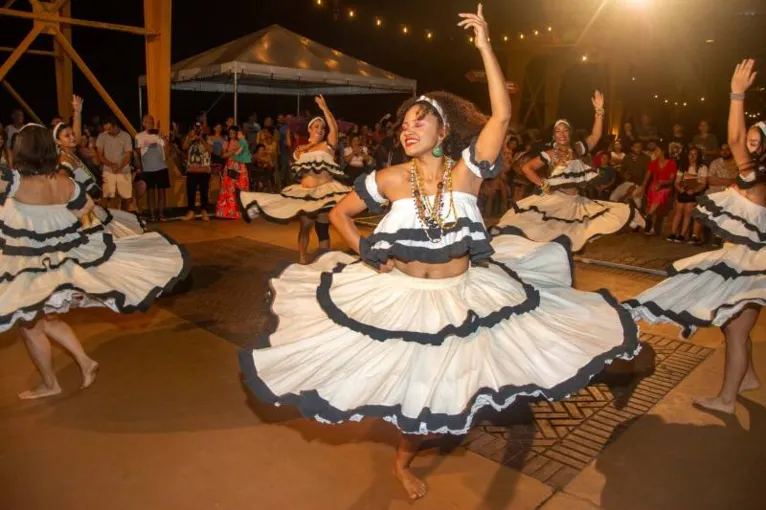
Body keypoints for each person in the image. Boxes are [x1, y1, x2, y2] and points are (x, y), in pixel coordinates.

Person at [237, 7, 639, 500]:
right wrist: (363, 247)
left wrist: (486, 46)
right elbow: (339, 215)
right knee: (418, 394)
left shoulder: (469, 169)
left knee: (454, 391)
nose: (408, 128)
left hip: (463, 296)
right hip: (406, 300)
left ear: (442, 130)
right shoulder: (388, 179)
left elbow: (503, 114)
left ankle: (435, 433)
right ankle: (404, 462)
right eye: (404, 122)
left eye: (419, 120)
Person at [0, 124, 189, 399]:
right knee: (44, 321)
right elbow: (85, 207)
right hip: (56, 263)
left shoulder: (14, 182)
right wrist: (58, 227)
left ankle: (51, 384)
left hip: (31, 268)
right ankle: (86, 364)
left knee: (32, 327)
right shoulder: (64, 183)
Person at [625, 60, 764, 414]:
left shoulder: (757, 175)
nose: (746, 143)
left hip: (748, 266)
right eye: (749, 138)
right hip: (750, 266)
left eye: (754, 140)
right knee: (737, 328)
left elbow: (732, 138)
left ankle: (727, 400)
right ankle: (747, 378)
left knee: (733, 331)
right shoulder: (757, 179)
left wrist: (736, 95)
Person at [493, 95, 644, 252]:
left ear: (570, 133)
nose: (561, 134)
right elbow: (527, 168)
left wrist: (599, 110)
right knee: (542, 234)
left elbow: (595, 136)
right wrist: (543, 184)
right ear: (554, 135)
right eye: (558, 131)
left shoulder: (577, 149)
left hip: (575, 203)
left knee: (578, 236)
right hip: (554, 202)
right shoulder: (551, 153)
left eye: (565, 130)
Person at [238, 97, 352, 264]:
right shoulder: (300, 150)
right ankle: (302, 259)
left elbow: (333, 128)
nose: (320, 129)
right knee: (305, 227)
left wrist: (324, 108)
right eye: (316, 126)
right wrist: (302, 150)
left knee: (322, 228)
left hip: (324, 193)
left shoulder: (327, 145)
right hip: (306, 194)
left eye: (322, 127)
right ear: (310, 130)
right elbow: (298, 171)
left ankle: (325, 262)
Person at [54, 96, 145, 237]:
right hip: (83, 209)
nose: (72, 137)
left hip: (92, 203)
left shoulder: (71, 153)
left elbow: (77, 138)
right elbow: (63, 185)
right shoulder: (65, 159)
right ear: (58, 141)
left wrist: (78, 113)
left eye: (72, 134)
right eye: (66, 136)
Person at [666, 146, 709, 244]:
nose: (692, 156)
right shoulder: (683, 166)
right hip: (683, 191)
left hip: (694, 192)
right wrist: (680, 189)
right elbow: (677, 182)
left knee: (688, 212)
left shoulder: (702, 167)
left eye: (695, 154)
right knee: (678, 211)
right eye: (690, 154)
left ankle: (682, 235)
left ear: (698, 156)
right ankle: (673, 233)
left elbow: (703, 183)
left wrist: (694, 190)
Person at [135, 114, 171, 221]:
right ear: (143, 123)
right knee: (150, 192)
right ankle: (152, 214)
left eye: (151, 122)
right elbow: (137, 153)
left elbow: (168, 149)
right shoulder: (139, 136)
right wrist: (140, 168)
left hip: (161, 167)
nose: (149, 124)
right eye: (146, 122)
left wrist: (162, 137)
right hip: (148, 168)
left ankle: (161, 214)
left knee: (161, 192)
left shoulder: (159, 135)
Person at [638, 146, 677, 236]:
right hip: (654, 186)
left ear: (663, 151)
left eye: (657, 150)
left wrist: (662, 183)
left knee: (662, 192)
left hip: (666, 186)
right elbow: (647, 177)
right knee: (652, 189)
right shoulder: (653, 163)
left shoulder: (671, 163)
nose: (655, 151)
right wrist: (643, 187)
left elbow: (671, 180)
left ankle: (648, 216)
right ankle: (649, 223)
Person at [96, 117, 133, 211]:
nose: (107, 131)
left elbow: (128, 155)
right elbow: (100, 155)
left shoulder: (126, 136)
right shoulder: (102, 136)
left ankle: (125, 217)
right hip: (108, 171)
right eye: (105, 129)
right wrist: (111, 165)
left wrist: (119, 167)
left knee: (126, 197)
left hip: (123, 170)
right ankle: (107, 218)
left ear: (115, 126)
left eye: (109, 129)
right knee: (107, 196)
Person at [215, 126, 250, 219]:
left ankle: (240, 211)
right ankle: (228, 212)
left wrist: (232, 152)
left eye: (233, 132)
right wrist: (233, 152)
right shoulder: (226, 143)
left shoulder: (242, 142)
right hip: (230, 167)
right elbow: (223, 155)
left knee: (241, 189)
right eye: (229, 132)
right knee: (228, 189)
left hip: (240, 167)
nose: (231, 134)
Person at [181, 124, 213, 221]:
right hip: (191, 170)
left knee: (204, 191)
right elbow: (184, 147)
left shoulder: (207, 138)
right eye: (196, 129)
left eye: (199, 129)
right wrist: (191, 138)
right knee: (191, 191)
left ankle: (204, 211)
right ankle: (191, 212)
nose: (197, 131)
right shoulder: (190, 138)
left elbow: (210, 150)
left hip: (204, 170)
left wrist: (201, 139)